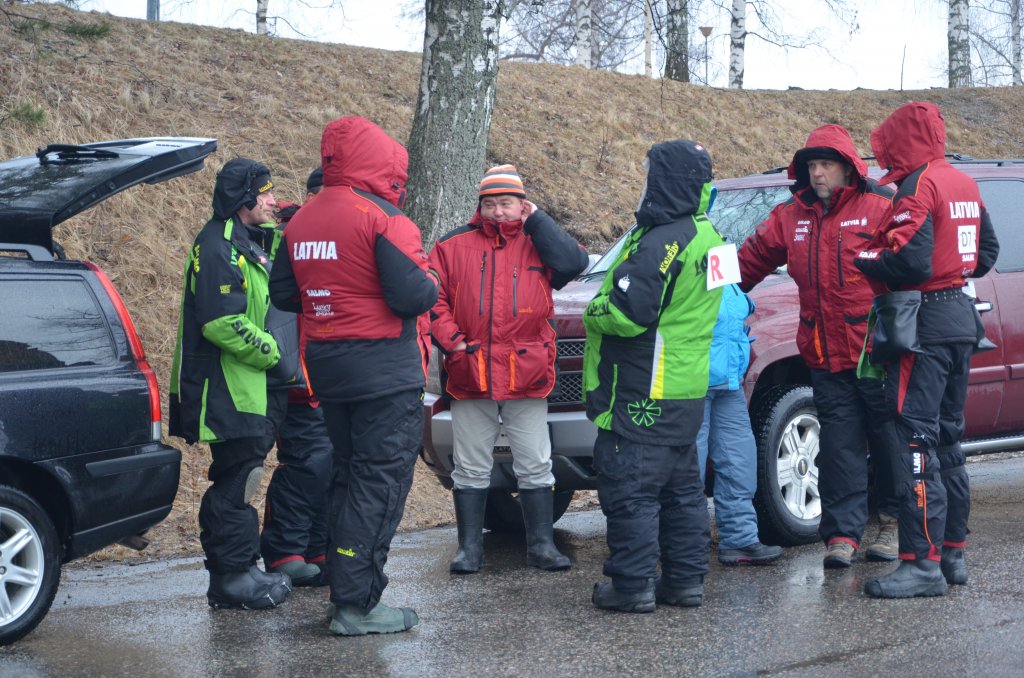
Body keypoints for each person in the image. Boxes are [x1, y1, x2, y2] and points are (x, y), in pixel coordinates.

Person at [269, 117, 438, 635]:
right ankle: (357, 604)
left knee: (347, 477)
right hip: (384, 370)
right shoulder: (384, 218)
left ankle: (344, 593)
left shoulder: (302, 220)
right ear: (383, 163)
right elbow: (414, 296)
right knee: (379, 484)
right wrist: (432, 274)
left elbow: (284, 295)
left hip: (327, 367)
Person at [737, 124, 901, 569]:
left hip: (876, 355)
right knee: (839, 447)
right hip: (824, 354)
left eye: (826, 164)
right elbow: (747, 263)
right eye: (811, 165)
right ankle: (842, 535)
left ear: (848, 167)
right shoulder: (791, 215)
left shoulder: (881, 204)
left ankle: (893, 523)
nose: (818, 173)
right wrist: (703, 280)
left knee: (889, 440)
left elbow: (914, 263)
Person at [856, 102, 999, 598]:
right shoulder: (964, 182)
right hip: (961, 315)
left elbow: (909, 260)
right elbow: (986, 254)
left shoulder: (918, 185)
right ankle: (952, 554)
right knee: (948, 441)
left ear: (902, 140)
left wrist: (866, 255)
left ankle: (921, 563)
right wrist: (951, 266)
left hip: (925, 324)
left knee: (916, 443)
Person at [584, 139, 724, 613]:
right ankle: (685, 581)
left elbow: (629, 314)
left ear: (665, 180)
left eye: (649, 174)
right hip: (686, 385)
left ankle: (632, 585)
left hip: (642, 385)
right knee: (682, 493)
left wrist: (593, 311)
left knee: (632, 491)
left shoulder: (664, 239)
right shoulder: (710, 235)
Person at [428, 164, 589, 574]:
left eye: (507, 203)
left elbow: (574, 263)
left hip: (527, 375)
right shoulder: (451, 245)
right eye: (490, 204)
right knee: (470, 465)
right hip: (470, 372)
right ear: (479, 206)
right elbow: (432, 299)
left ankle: (542, 547)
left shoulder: (539, 242)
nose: (498, 212)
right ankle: (469, 551)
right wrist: (453, 342)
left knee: (535, 462)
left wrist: (539, 222)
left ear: (522, 205)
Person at [169, 157, 292, 609]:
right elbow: (222, 322)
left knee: (243, 477)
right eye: (265, 193)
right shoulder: (218, 245)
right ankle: (230, 578)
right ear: (243, 199)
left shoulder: (247, 239)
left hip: (251, 386)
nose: (273, 200)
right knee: (237, 480)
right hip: (226, 388)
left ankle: (242, 567)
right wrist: (275, 353)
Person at [259, 183, 333, 587]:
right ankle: (284, 552)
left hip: (333, 375)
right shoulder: (286, 238)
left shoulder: (339, 237)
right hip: (296, 377)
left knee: (330, 466)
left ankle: (317, 548)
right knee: (307, 465)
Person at [697, 283, 783, 566]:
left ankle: (740, 539)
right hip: (690, 381)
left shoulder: (719, 261)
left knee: (739, 463)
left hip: (728, 379)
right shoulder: (679, 257)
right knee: (686, 470)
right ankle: (686, 545)